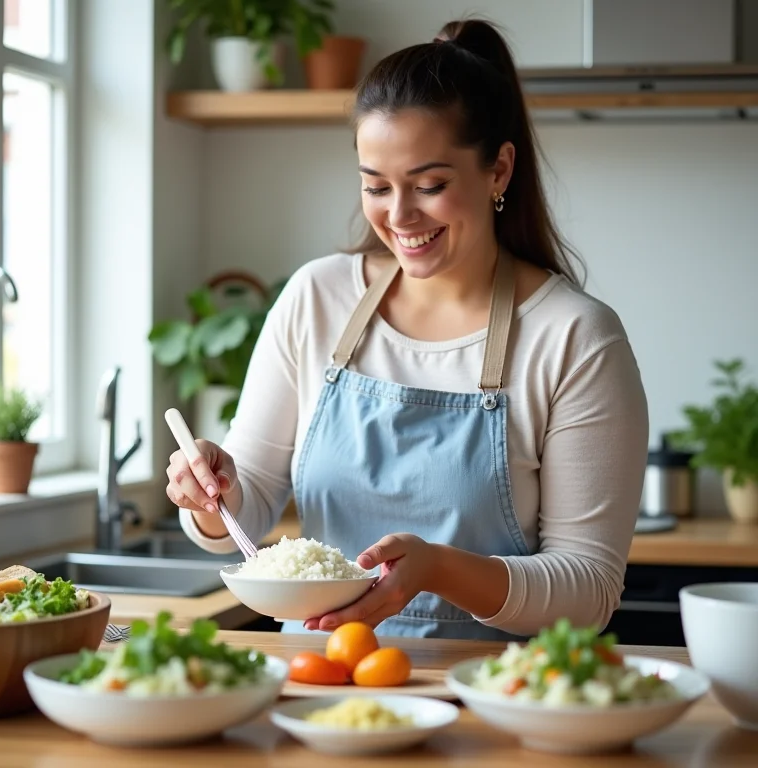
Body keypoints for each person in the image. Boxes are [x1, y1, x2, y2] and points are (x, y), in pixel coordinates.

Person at [166, 18, 649, 640]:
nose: (399, 216)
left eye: (430, 185)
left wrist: (438, 570)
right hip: (320, 678)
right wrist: (213, 493)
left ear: (499, 170)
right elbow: (245, 509)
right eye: (376, 186)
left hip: (489, 689)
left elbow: (589, 591)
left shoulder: (574, 337)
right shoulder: (317, 298)